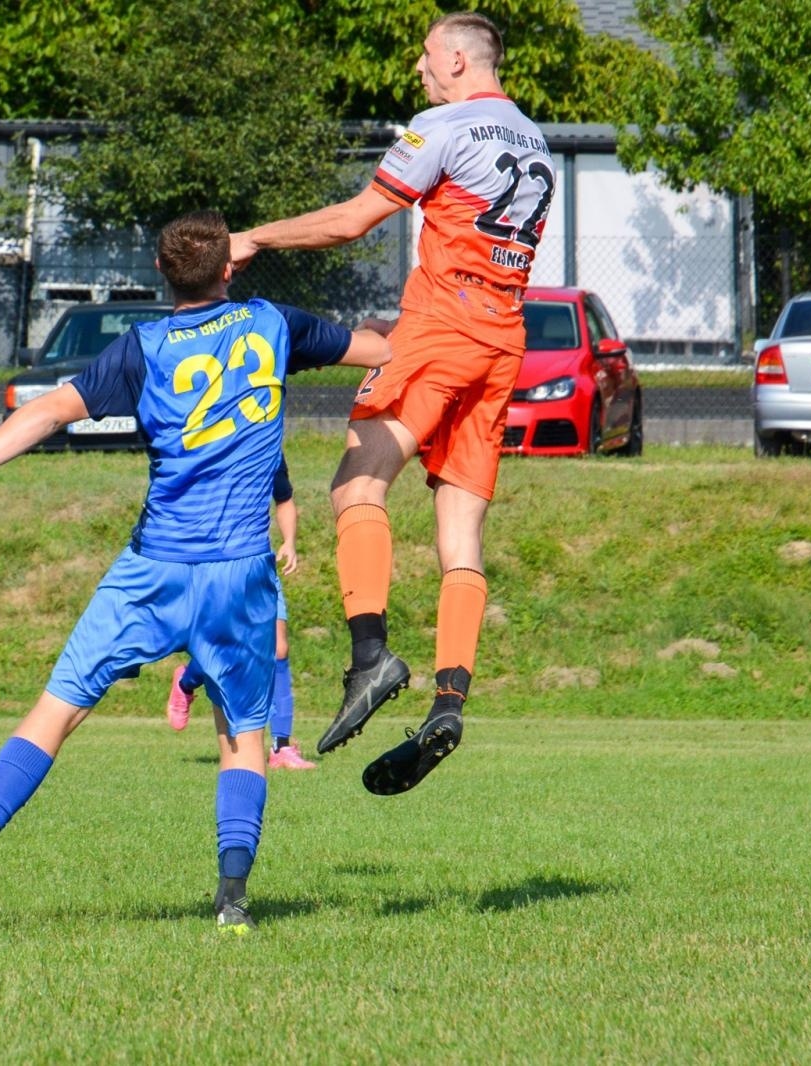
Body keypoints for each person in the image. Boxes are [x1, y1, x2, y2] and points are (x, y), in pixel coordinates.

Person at [0, 210, 390, 932]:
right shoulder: (274, 323)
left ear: (160, 275)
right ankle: (232, 903)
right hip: (239, 573)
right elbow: (380, 350)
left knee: (55, 712)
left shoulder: (143, 347)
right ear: (228, 268)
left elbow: (49, 412)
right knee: (242, 739)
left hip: (152, 570)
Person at [230, 11, 554, 796]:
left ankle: (370, 659)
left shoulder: (440, 125)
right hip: (503, 338)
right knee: (461, 533)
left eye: (422, 54)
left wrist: (256, 238)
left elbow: (351, 222)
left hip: (442, 327)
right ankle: (449, 699)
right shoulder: (536, 142)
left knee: (356, 481)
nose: (416, 67)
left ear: (453, 58)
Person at [164, 454, 316, 771]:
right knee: (219, 650)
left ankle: (282, 747)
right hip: (214, 567)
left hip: (259, 567)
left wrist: (289, 542)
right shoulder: (213, 446)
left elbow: (284, 498)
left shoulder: (268, 447)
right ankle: (186, 682)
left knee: (278, 647)